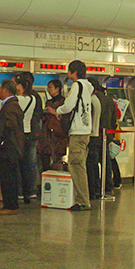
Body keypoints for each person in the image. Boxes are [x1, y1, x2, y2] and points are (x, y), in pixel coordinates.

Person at [47, 60, 93, 211]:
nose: (67, 74)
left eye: (69, 71)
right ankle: (82, 198)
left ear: (74, 72)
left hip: (78, 131)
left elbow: (69, 105)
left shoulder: (77, 85)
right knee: (79, 164)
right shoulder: (88, 86)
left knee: (76, 165)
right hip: (85, 130)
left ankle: (83, 201)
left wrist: (57, 111)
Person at [0, 80, 25, 215]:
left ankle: (10, 205)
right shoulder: (10, 105)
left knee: (8, 176)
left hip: (9, 147)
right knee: (7, 176)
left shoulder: (11, 106)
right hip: (8, 146)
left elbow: (11, 125)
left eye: (0, 89)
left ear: (5, 90)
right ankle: (9, 203)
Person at [15, 73, 38, 204]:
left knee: (18, 165)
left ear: (21, 86)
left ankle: (19, 192)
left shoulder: (17, 100)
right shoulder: (32, 99)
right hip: (29, 134)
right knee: (28, 165)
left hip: (19, 135)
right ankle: (30, 192)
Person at [37, 79, 67, 172]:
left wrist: (54, 112)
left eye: (50, 87)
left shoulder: (64, 102)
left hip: (58, 135)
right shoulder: (49, 102)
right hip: (46, 135)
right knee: (44, 159)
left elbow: (64, 118)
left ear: (57, 89)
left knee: (57, 160)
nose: (49, 90)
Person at [98, 85, 118, 192]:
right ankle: (108, 184)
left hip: (97, 134)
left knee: (94, 161)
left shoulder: (95, 99)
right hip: (107, 133)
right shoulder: (110, 101)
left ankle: (97, 185)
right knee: (106, 161)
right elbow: (114, 118)